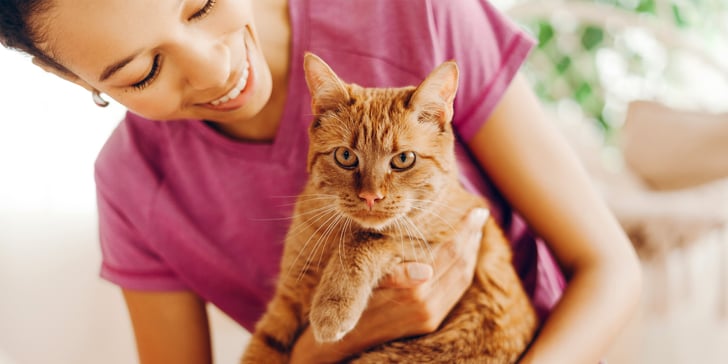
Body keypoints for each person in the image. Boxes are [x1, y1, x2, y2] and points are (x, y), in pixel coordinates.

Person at [0, 0, 642, 363]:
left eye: (201, 4)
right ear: (75, 80)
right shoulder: (133, 186)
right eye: (141, 72)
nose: (213, 70)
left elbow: (610, 267)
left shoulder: (414, 15)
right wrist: (313, 356)